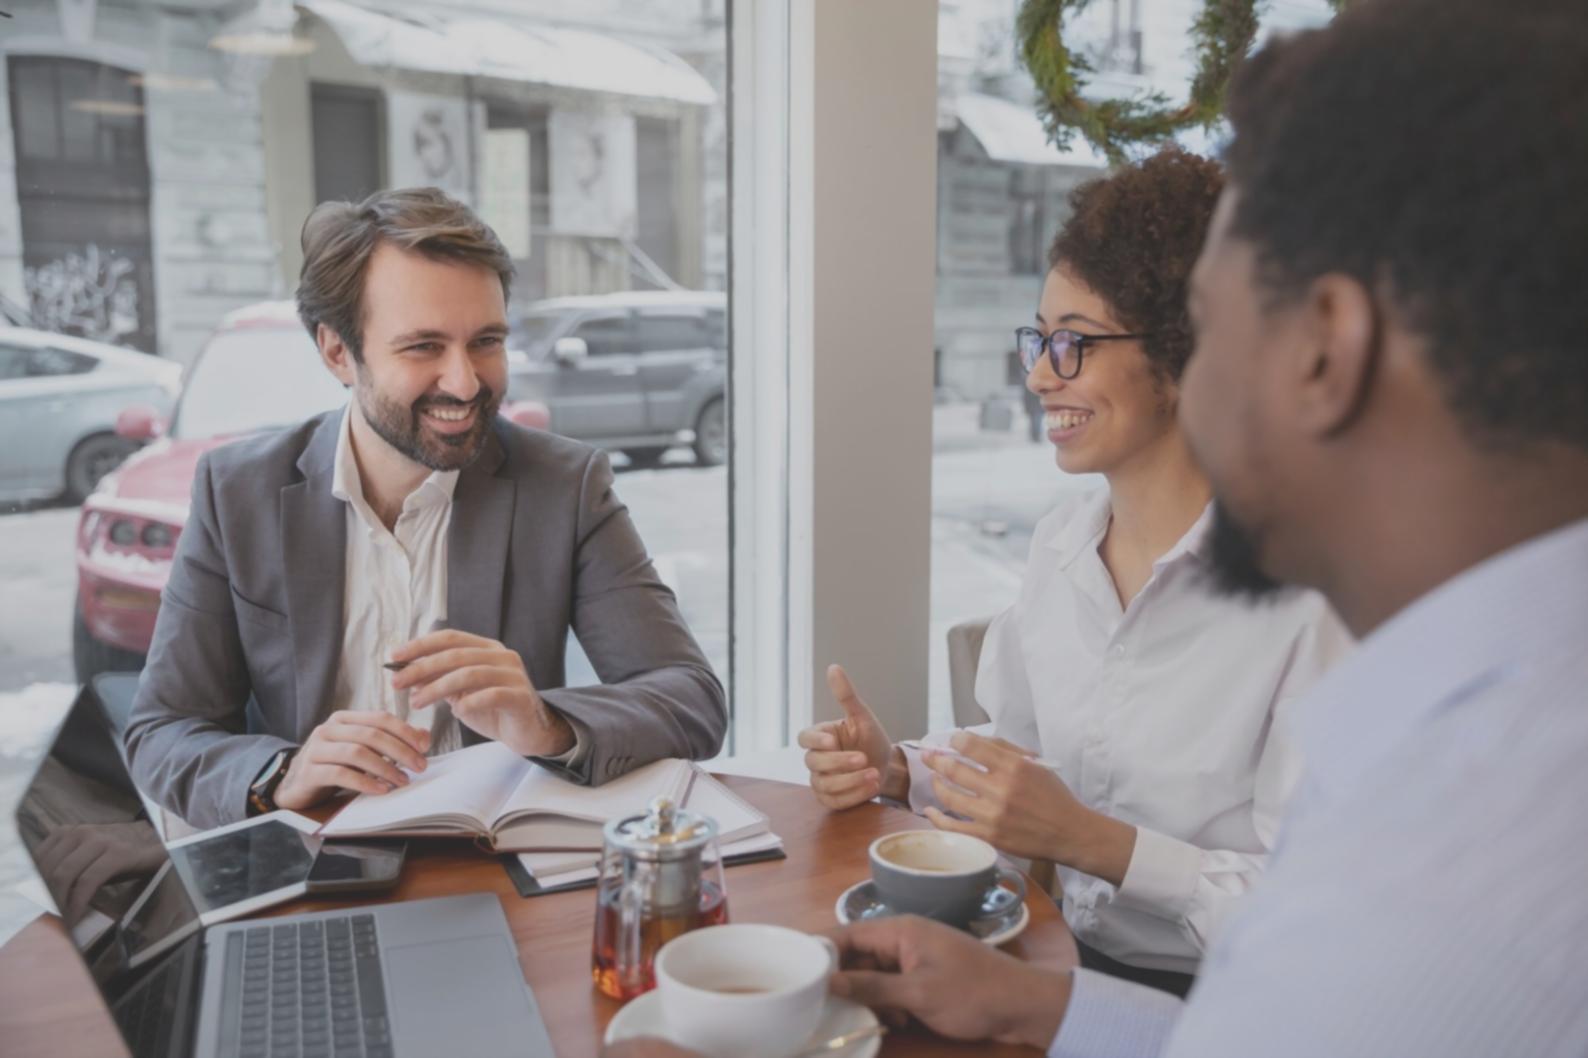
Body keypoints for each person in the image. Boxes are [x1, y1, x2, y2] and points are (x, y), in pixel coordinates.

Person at [774, 2, 1588, 1056]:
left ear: (1322, 350)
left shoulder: (1449, 850)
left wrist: (1089, 859)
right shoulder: (1478, 702)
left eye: (1218, 322)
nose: (1203, 381)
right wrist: (1035, 1003)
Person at [800, 149, 1349, 991]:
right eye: (1040, 338)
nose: (1036, 375)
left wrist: (1094, 842)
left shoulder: (1308, 598)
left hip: (1231, 1002)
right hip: (1065, 961)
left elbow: (1315, 916)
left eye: (1074, 344)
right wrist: (902, 768)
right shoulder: (1062, 545)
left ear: (1187, 354)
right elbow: (1023, 756)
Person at [125, 188, 726, 829]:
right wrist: (285, 773)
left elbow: (690, 700)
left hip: (494, 857)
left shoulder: (564, 486)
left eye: (486, 341)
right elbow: (162, 732)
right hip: (316, 855)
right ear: (338, 352)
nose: (465, 382)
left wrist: (546, 722)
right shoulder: (237, 492)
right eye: (423, 347)